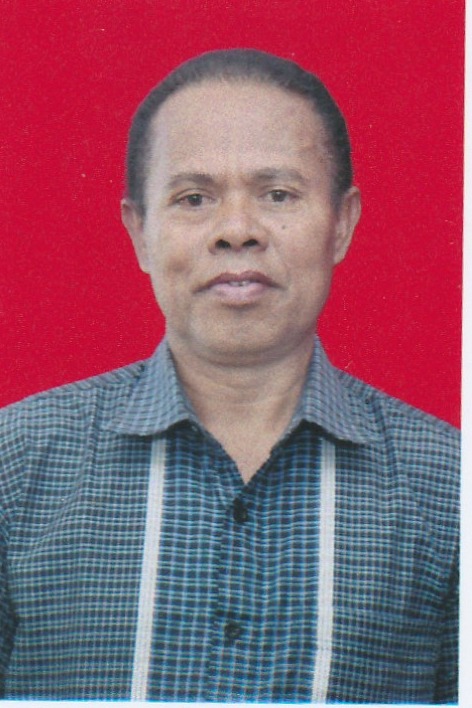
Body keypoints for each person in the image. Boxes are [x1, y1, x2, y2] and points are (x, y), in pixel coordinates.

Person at [0, 49, 459, 703]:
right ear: (140, 232)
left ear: (342, 224)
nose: (237, 231)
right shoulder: (16, 464)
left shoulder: (449, 488)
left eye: (278, 195)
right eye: (194, 198)